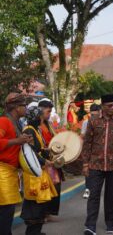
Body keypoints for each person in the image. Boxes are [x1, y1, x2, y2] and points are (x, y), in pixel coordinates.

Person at [81, 94, 113, 235]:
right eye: (109, 106)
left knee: (112, 196)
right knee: (93, 195)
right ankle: (90, 226)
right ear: (103, 107)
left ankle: (111, 225)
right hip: (95, 165)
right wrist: (85, 164)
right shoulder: (94, 121)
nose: (112, 108)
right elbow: (87, 143)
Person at [20, 106, 58, 235]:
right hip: (33, 174)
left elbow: (38, 149)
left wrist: (47, 150)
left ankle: (36, 231)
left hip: (39, 172)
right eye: (40, 116)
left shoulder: (35, 130)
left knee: (40, 204)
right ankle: (32, 232)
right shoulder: (28, 130)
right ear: (35, 117)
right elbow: (30, 153)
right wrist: (45, 161)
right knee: (35, 205)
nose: (41, 118)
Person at [0, 93, 32, 235]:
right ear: (16, 107)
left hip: (10, 172)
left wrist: (24, 140)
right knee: (6, 210)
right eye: (24, 105)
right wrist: (17, 141)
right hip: (2, 171)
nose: (26, 108)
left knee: (7, 210)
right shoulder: (4, 121)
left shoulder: (17, 123)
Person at [38, 99, 63, 222]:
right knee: (44, 186)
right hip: (43, 160)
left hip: (52, 159)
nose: (49, 114)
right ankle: (42, 214)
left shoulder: (49, 125)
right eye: (48, 111)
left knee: (55, 185)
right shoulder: (35, 125)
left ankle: (48, 212)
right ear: (41, 111)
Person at [81, 104, 101, 199]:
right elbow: (82, 136)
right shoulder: (86, 122)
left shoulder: (102, 122)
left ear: (100, 112)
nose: (93, 117)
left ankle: (95, 190)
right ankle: (88, 189)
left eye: (95, 115)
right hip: (89, 150)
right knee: (88, 172)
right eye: (92, 115)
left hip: (98, 152)